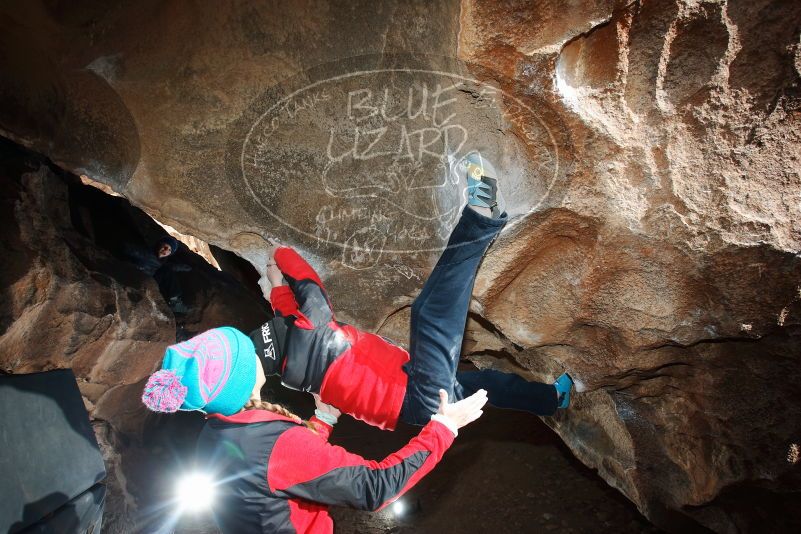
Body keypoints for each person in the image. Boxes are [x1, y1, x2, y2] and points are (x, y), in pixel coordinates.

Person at [249, 154, 574, 431]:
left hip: (413, 399)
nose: (286, 320)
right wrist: (280, 255)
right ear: (285, 336)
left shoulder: (297, 360)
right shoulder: (308, 336)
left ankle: (551, 399)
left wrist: (277, 287)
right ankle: (482, 215)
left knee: (485, 385)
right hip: (419, 392)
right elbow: (309, 288)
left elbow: (288, 316)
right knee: (429, 315)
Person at [141, 327, 487, 533]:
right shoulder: (274, 447)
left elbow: (282, 471)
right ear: (243, 379)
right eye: (248, 353)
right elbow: (375, 487)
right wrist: (442, 428)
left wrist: (322, 418)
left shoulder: (217, 433)